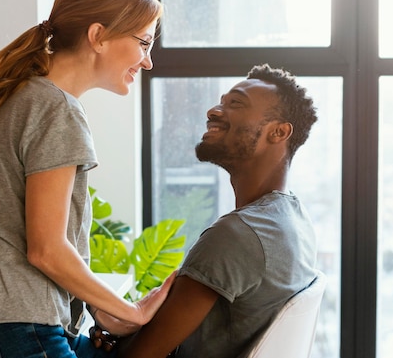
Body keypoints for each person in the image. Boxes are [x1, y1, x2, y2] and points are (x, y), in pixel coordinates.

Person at [0, 0, 175, 358]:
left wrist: (101, 308)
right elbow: (45, 249)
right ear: (98, 36)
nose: (147, 61)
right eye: (144, 43)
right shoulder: (56, 109)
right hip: (11, 330)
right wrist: (129, 311)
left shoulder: (19, 94)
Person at [118, 64, 320, 358]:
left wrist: (109, 335)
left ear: (278, 132)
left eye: (235, 103)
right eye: (221, 102)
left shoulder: (238, 235)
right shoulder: (294, 219)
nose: (213, 111)